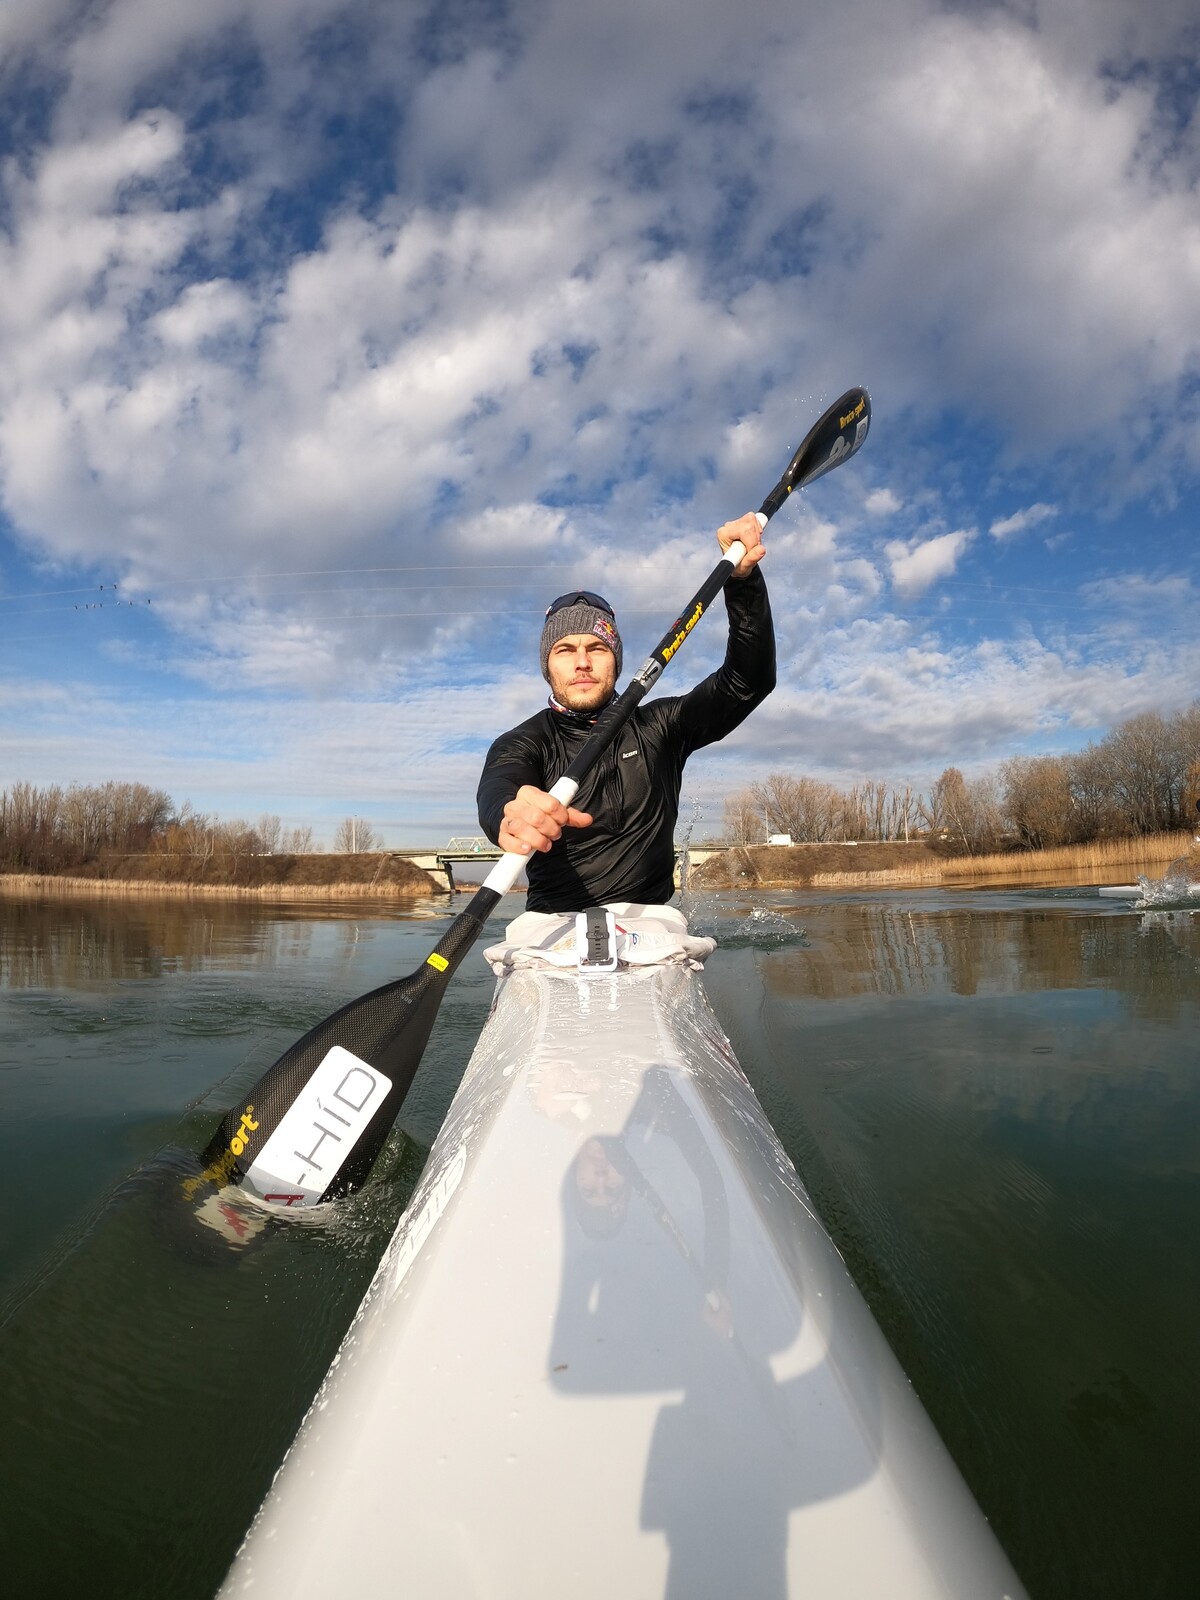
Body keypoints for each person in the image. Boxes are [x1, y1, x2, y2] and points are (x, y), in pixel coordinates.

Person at [476, 512, 775, 911]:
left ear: (615, 662)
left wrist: (743, 584)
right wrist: (508, 814)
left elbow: (747, 681)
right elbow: (499, 790)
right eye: (565, 650)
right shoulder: (522, 742)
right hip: (551, 928)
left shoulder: (662, 726)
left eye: (596, 648)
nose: (582, 662)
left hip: (653, 927)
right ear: (547, 665)